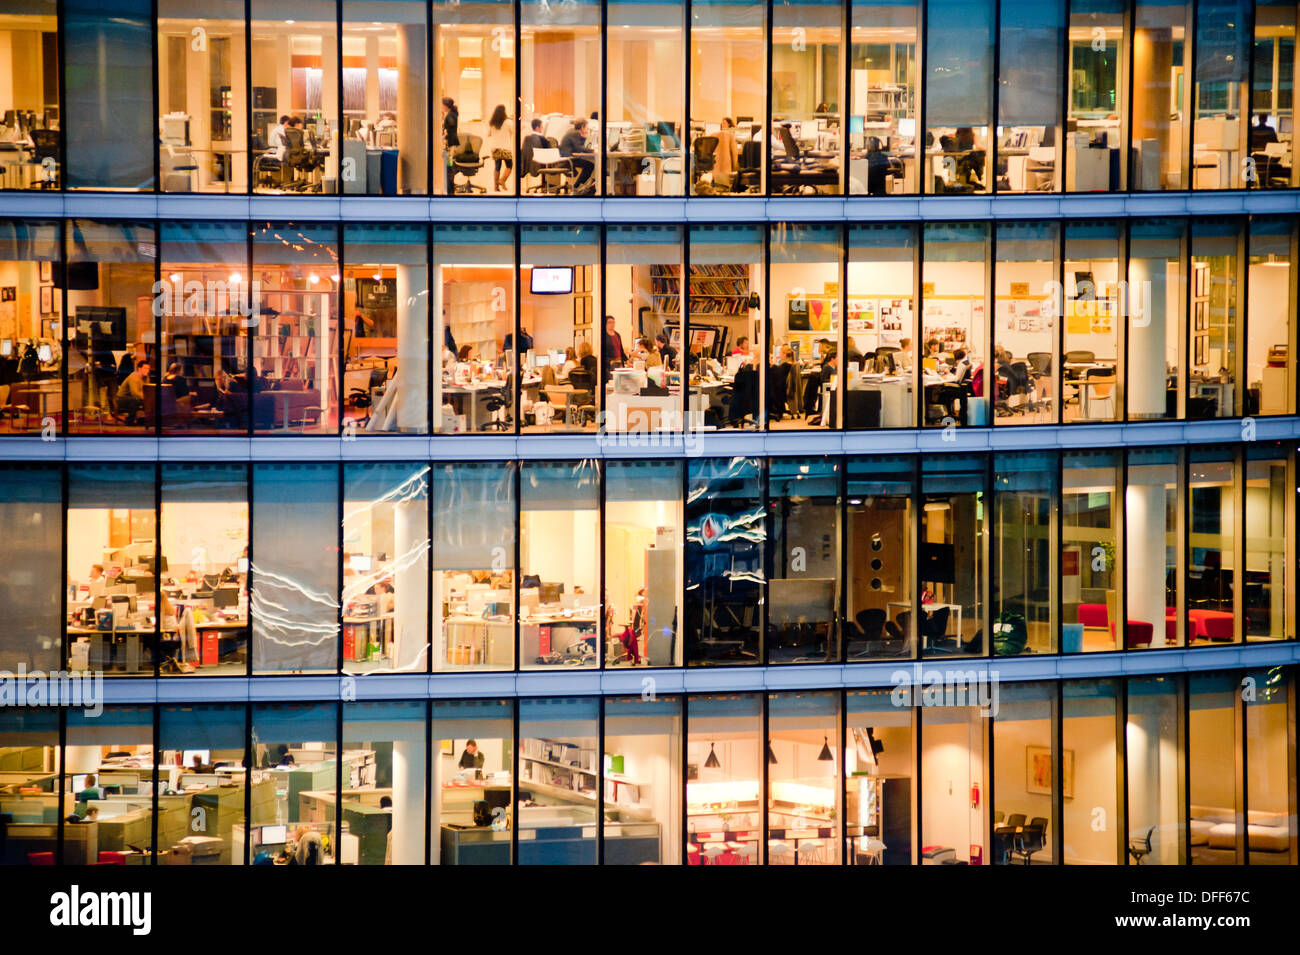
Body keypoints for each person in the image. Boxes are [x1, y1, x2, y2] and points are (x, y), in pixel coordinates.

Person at [560, 118, 597, 193]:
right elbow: (579, 148)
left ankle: (579, 186)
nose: (587, 130)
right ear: (582, 127)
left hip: (566, 158)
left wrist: (584, 137)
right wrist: (593, 150)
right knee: (590, 165)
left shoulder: (571, 132)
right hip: (569, 159)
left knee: (589, 164)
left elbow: (578, 148)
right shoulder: (575, 133)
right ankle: (577, 186)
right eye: (586, 127)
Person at [486, 104, 513, 192]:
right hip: (505, 148)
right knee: (509, 166)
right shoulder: (508, 122)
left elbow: (489, 134)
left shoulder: (492, 123)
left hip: (495, 148)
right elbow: (513, 131)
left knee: (497, 166)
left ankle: (496, 187)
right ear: (504, 111)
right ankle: (502, 180)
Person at [114, 359, 150, 424]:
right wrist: (145, 398)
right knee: (135, 400)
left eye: (148, 368)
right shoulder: (134, 377)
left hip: (135, 398)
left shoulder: (146, 378)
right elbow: (135, 393)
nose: (147, 370)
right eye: (145, 368)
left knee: (150, 401)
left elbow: (146, 391)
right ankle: (129, 421)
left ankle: (143, 420)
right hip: (122, 399)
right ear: (139, 369)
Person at [441, 97, 460, 195]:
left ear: (445, 106)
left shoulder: (450, 116)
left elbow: (449, 130)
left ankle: (450, 188)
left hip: (450, 144)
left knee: (449, 166)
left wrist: (443, 136)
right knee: (449, 165)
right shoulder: (451, 115)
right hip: (451, 144)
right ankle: (450, 187)